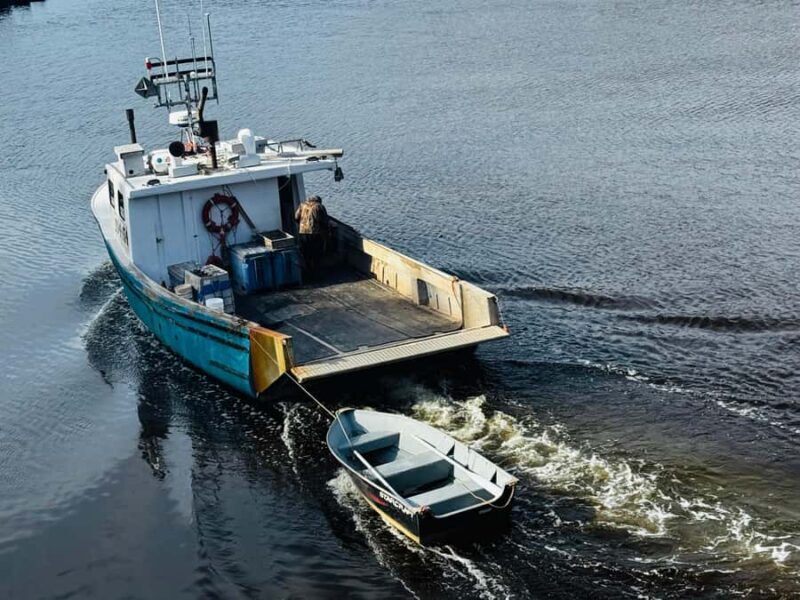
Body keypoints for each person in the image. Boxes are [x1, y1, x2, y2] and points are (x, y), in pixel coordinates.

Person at [294, 194, 328, 274]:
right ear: (318, 201)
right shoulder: (319, 206)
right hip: (315, 233)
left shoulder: (302, 205)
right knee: (316, 253)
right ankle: (316, 272)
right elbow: (324, 221)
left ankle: (308, 271)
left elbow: (296, 217)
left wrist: (301, 225)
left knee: (306, 253)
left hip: (302, 232)